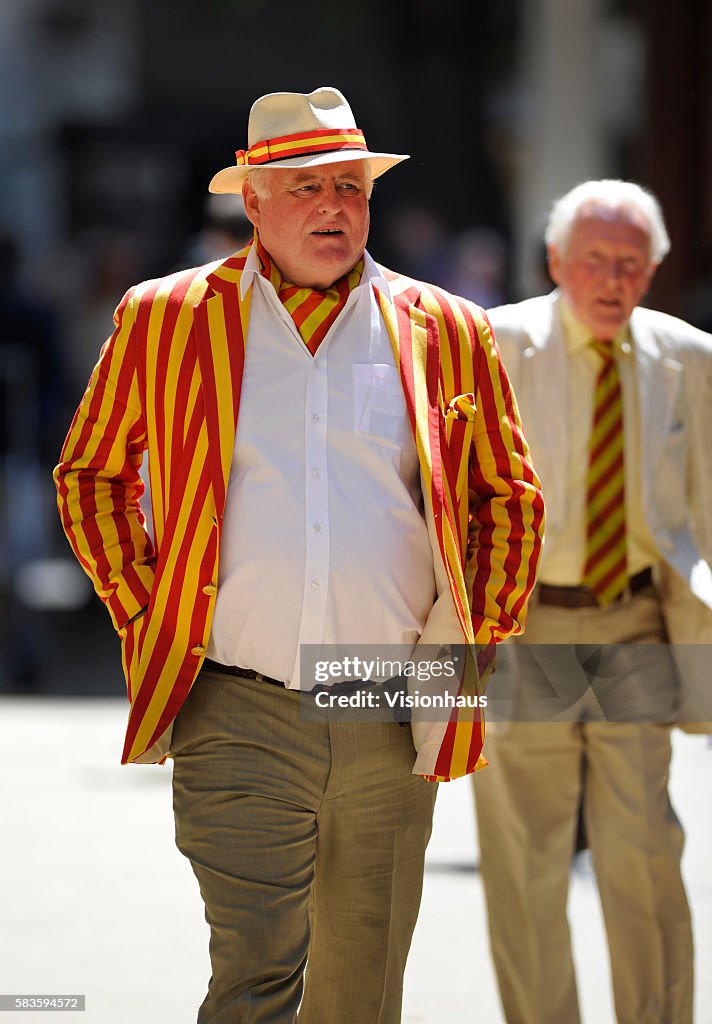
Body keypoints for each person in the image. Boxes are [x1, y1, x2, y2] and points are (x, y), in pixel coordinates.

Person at [54, 86, 544, 1023]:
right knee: (253, 979)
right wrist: (146, 606)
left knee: (361, 991)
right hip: (233, 695)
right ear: (253, 202)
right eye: (308, 185)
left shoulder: (446, 330)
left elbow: (509, 502)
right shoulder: (166, 318)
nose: (335, 206)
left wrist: (467, 639)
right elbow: (91, 476)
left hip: (386, 695)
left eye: (352, 187)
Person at [473, 179, 712, 1024]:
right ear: (555, 263)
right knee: (525, 858)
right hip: (525, 626)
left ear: (652, 272)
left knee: (645, 849)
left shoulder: (690, 357)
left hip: (637, 623)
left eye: (632, 265)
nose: (613, 281)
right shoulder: (497, 344)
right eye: (595, 262)